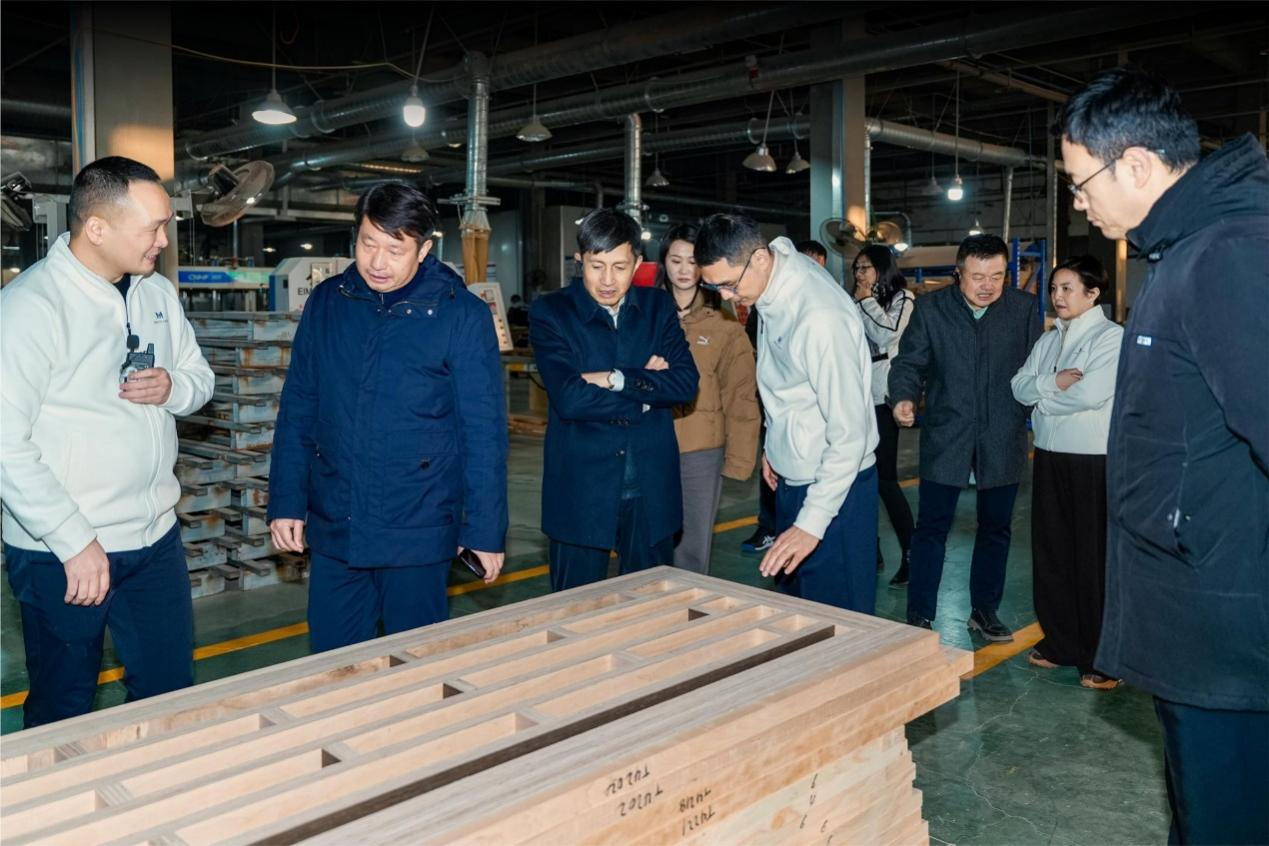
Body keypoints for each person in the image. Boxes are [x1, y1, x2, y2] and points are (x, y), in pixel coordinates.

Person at [1059, 66, 1268, 844]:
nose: (1077, 202)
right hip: (1203, 612)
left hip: (1225, 630)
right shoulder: (1187, 249)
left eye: (1079, 183)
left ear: (1136, 165)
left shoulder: (1225, 255)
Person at [0, 156, 214, 728]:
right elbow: (5, 444)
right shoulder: (30, 308)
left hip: (155, 537)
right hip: (62, 550)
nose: (164, 240)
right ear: (97, 228)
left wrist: (174, 387)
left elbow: (200, 378)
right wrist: (73, 541)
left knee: (169, 691)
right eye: (153, 227)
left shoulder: (157, 293)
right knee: (64, 705)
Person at [268, 181, 507, 652]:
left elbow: (483, 433)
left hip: (418, 526)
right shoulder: (328, 303)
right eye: (367, 244)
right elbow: (299, 407)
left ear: (424, 249)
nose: (377, 262)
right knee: (333, 664)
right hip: (337, 523)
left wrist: (483, 530)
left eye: (395, 250)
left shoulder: (461, 315)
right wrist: (287, 500)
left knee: (413, 664)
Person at [697, 215, 878, 613]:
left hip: (836, 488)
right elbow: (784, 382)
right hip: (793, 478)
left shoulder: (819, 317)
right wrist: (776, 445)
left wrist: (812, 524)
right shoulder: (770, 280)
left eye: (729, 284)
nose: (726, 296)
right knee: (799, 615)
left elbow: (851, 433)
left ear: (760, 259)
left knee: (839, 623)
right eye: (715, 287)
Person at [529, 209, 698, 591]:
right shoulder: (551, 312)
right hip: (581, 490)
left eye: (620, 267)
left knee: (651, 605)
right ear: (580, 261)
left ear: (637, 263)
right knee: (575, 607)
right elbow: (569, 398)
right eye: (596, 266)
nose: (608, 280)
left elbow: (686, 384)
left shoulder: (657, 308)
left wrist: (614, 379)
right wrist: (647, 393)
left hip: (650, 489)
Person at [888, 234, 1042, 639]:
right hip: (947, 434)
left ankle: (984, 611)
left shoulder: (1023, 308)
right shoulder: (931, 309)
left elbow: (1036, 368)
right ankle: (920, 614)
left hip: (1002, 435)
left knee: (996, 528)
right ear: (959, 274)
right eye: (977, 277)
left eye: (997, 276)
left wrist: (1033, 414)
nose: (988, 286)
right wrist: (903, 397)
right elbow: (909, 363)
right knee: (931, 528)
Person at [1009, 256, 1123, 689]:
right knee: (1053, 552)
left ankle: (1103, 657)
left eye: (1067, 288)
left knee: (1093, 558)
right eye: (1054, 288)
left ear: (1092, 294)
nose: (1057, 296)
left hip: (1093, 460)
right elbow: (1019, 385)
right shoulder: (1049, 340)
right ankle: (1062, 642)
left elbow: (1091, 394)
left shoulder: (1111, 338)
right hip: (1050, 456)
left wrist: (1043, 400)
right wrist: (1053, 385)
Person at [656, 223, 759, 573]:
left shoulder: (725, 327)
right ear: (663, 263)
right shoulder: (645, 316)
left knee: (691, 546)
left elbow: (741, 395)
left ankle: (687, 603)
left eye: (693, 261)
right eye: (676, 260)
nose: (684, 270)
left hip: (700, 453)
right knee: (646, 540)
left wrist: (739, 459)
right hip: (649, 443)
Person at [852, 245, 916, 587]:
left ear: (882, 268)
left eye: (866, 268)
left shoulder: (903, 299)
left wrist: (864, 301)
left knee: (885, 479)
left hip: (886, 399)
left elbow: (887, 333)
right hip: (857, 399)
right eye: (857, 269)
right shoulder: (855, 301)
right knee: (860, 477)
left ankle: (912, 552)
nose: (859, 274)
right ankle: (870, 550)